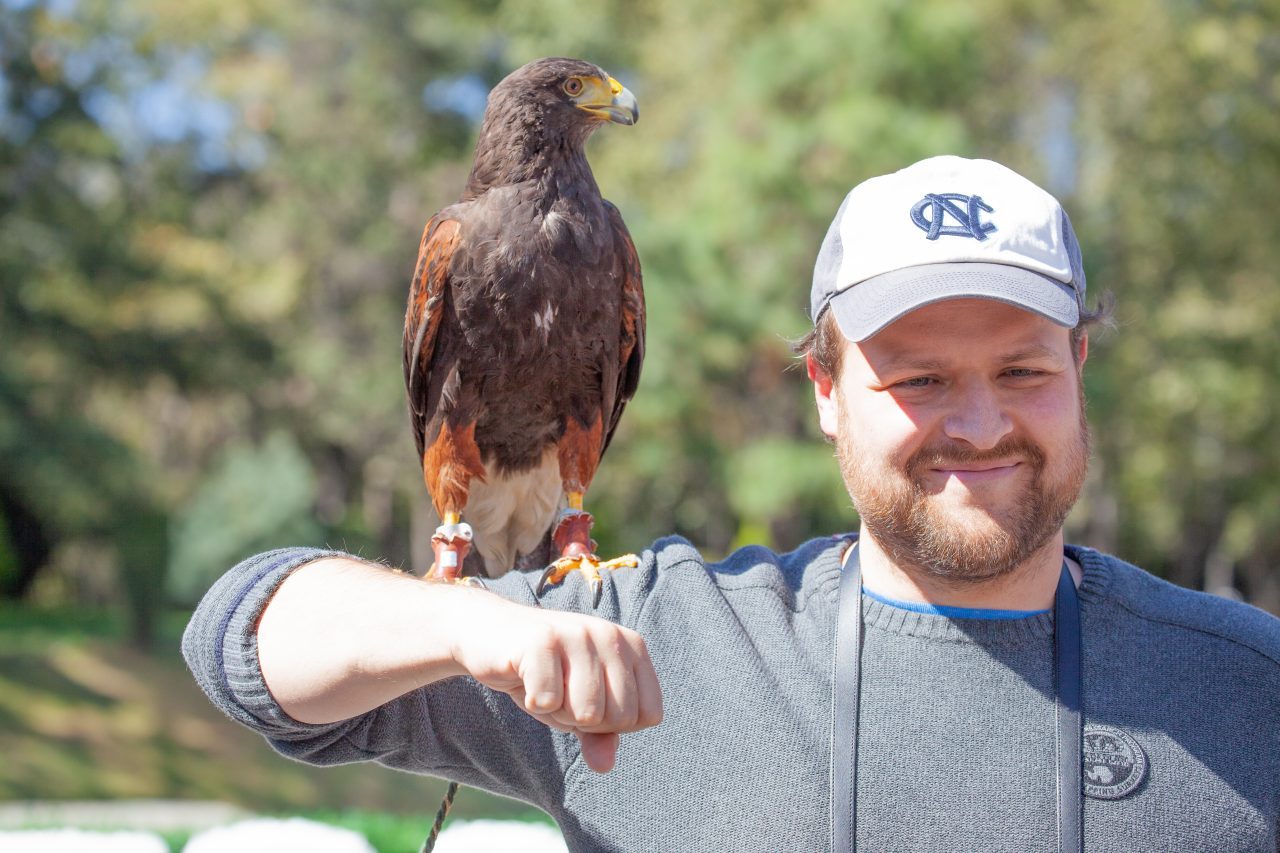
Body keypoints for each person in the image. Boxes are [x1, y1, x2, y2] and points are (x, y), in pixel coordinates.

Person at [183, 156, 1280, 850]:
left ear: (1081, 367)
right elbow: (243, 646)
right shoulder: (650, 641)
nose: (979, 422)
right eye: (917, 378)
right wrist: (467, 615)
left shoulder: (1249, 684)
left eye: (1022, 371)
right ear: (823, 391)